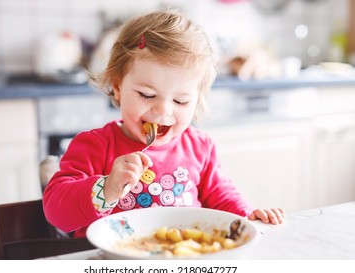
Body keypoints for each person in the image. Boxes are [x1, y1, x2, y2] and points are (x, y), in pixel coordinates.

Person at [43, 10, 285, 238]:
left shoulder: (199, 147)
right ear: (117, 87)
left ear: (196, 101)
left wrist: (247, 217)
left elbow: (222, 196)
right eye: (147, 95)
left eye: (181, 100)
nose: (163, 110)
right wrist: (106, 188)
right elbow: (56, 213)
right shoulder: (94, 145)